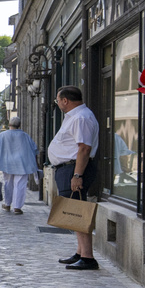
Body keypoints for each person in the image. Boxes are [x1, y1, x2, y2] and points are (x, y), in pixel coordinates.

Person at [47, 85, 100, 270]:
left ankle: (88, 257)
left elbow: (84, 148)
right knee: (74, 210)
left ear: (65, 100)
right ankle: (80, 252)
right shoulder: (76, 116)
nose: (58, 103)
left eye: (57, 100)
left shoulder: (81, 117)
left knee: (77, 212)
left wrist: (77, 175)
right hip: (68, 168)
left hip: (74, 169)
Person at [0, 115, 39, 215]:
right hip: (22, 163)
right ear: (19, 125)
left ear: (9, 124)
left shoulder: (3, 135)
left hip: (7, 163)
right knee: (20, 185)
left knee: (8, 184)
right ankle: (17, 207)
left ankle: (7, 204)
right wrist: (36, 164)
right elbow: (34, 150)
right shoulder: (25, 135)